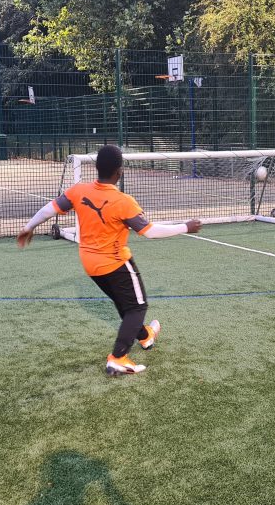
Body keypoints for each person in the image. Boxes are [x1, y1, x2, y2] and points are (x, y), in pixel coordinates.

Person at [17, 145, 202, 376]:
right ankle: (118, 357)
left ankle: (145, 337)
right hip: (115, 262)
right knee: (137, 306)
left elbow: (49, 209)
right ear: (119, 172)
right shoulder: (122, 201)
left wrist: (28, 227)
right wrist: (186, 226)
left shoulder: (78, 191)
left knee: (125, 304)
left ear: (96, 168)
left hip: (90, 264)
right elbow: (149, 231)